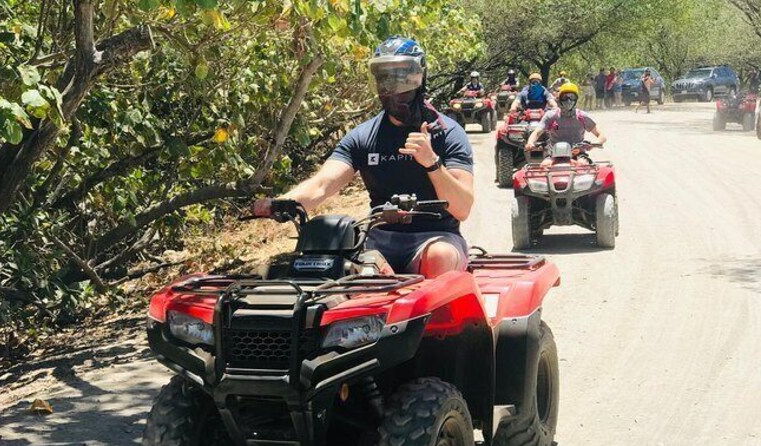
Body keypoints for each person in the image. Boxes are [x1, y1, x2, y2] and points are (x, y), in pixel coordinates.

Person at [253, 36, 474, 278]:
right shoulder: (363, 135)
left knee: (439, 257)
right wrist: (280, 203)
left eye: (401, 76)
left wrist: (432, 162)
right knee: (332, 262)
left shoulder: (448, 132)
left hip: (436, 236)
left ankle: (433, 316)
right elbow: (322, 184)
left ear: (419, 78)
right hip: (378, 238)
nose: (392, 86)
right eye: (383, 77)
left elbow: (462, 208)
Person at [524, 83, 607, 165]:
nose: (568, 100)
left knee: (582, 164)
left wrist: (595, 144)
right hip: (553, 153)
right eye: (565, 97)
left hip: (578, 153)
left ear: (576, 99)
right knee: (545, 165)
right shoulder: (551, 115)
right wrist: (530, 142)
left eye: (572, 97)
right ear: (560, 99)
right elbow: (537, 132)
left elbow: (601, 135)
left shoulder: (582, 116)